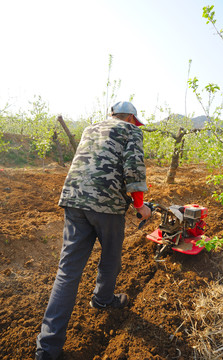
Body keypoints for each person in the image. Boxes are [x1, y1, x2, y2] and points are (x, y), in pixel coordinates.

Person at [35, 101, 151, 360]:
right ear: (131, 117)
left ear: (110, 114)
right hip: (106, 205)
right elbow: (133, 168)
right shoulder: (131, 130)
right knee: (110, 258)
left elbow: (94, 165)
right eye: (135, 121)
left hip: (74, 200)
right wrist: (141, 205)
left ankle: (47, 349)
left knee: (67, 272)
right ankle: (102, 300)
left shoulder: (90, 129)